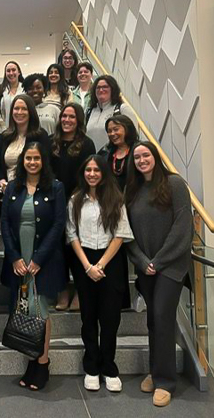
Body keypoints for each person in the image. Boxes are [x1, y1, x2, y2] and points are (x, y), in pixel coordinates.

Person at [125, 141, 193, 407]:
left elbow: (182, 226)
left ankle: (165, 381)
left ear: (155, 156)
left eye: (146, 155)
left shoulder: (174, 184)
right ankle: (156, 371)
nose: (142, 160)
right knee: (153, 320)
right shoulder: (133, 190)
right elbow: (126, 232)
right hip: (146, 267)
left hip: (171, 266)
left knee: (163, 316)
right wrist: (143, 262)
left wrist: (160, 260)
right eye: (137, 157)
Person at [1, 142, 66, 391]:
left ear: (43, 161)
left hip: (42, 260)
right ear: (22, 161)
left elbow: (59, 224)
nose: (32, 162)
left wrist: (38, 259)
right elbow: (5, 224)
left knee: (39, 310)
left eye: (36, 158)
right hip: (19, 261)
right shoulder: (13, 189)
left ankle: (42, 362)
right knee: (25, 307)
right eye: (28, 158)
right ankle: (32, 359)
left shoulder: (56, 187)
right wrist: (15, 257)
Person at [66, 155, 133, 393]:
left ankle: (109, 367)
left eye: (96, 170)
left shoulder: (116, 199)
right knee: (88, 318)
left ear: (103, 173)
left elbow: (120, 235)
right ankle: (91, 367)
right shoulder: (75, 200)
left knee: (110, 319)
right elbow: (72, 235)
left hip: (110, 262)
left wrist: (101, 265)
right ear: (83, 173)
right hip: (85, 261)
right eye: (88, 170)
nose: (92, 173)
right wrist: (87, 266)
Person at [51, 103, 96, 311]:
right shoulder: (53, 143)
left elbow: (90, 172)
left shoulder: (86, 144)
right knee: (58, 250)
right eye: (64, 116)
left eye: (71, 117)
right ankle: (62, 291)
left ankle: (79, 290)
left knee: (77, 246)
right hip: (54, 201)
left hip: (79, 200)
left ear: (78, 120)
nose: (67, 120)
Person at [0, 94, 50, 193]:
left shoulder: (40, 136)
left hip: (33, 190)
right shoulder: (5, 136)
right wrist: (2, 181)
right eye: (16, 108)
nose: (19, 112)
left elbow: (47, 165)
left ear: (31, 112)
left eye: (24, 109)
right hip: (7, 191)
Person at [86, 75, 138, 152]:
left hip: (114, 158)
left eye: (105, 87)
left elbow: (133, 137)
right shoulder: (89, 111)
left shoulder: (122, 109)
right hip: (92, 160)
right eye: (98, 87)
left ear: (113, 90)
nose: (101, 90)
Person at [98, 114, 139, 191]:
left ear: (127, 129)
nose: (112, 134)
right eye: (109, 131)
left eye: (116, 129)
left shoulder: (139, 150)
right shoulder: (105, 152)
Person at [0, 61, 24, 131]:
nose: (11, 73)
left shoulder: (25, 89)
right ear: (5, 74)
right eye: (8, 71)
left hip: (23, 129)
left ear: (19, 72)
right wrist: (4, 129)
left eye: (13, 70)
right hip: (4, 130)